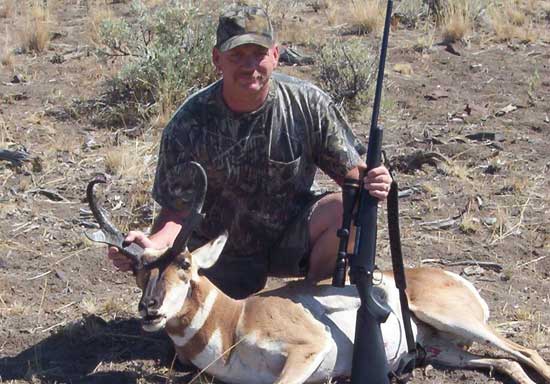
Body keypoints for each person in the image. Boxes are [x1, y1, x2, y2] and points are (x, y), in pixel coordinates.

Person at [108, 5, 392, 299]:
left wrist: (377, 180)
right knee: (191, 328)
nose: (249, 66)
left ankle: (310, 299)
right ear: (217, 59)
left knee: (351, 205)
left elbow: (355, 175)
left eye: (258, 54)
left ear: (276, 55)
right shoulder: (188, 123)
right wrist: (151, 244)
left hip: (289, 240)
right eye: (237, 56)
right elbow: (176, 213)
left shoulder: (308, 105)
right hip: (216, 254)